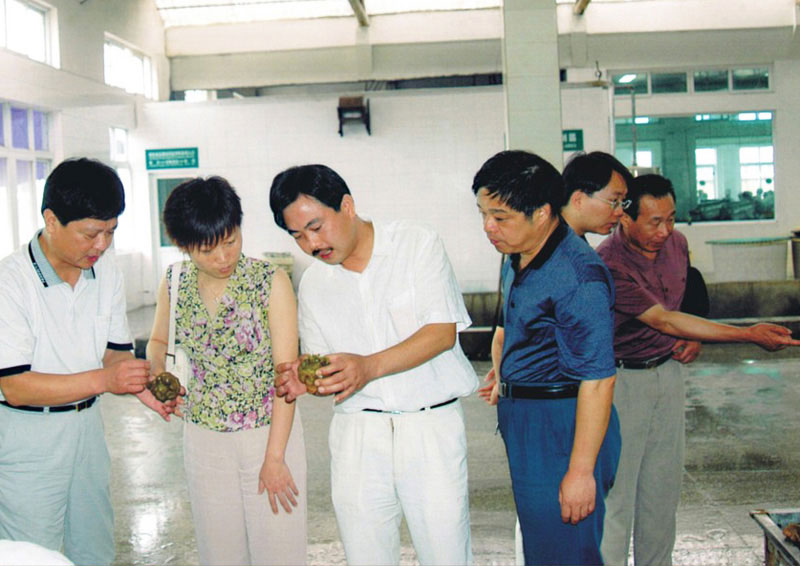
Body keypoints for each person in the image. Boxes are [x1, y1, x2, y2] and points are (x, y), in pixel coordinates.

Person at [268, 164, 477, 566]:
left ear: (347, 206)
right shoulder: (314, 284)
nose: (312, 244)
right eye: (298, 236)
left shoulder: (416, 244)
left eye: (316, 227)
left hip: (429, 426)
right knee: (366, 555)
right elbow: (330, 367)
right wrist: (310, 380)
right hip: (358, 434)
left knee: (446, 552)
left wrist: (367, 367)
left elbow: (441, 333)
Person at [595, 173, 800, 566]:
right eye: (655, 222)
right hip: (621, 382)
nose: (665, 231)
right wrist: (748, 334)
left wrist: (696, 335)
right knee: (616, 496)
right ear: (626, 217)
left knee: (661, 491)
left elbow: (687, 291)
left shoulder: (676, 244)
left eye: (671, 219)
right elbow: (664, 319)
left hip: (668, 374)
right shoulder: (608, 262)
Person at [0, 157, 176, 565]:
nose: (101, 245)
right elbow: (15, 386)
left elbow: (114, 352)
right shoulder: (11, 283)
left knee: (94, 549)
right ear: (51, 220)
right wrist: (106, 380)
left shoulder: (106, 271)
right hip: (28, 437)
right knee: (31, 553)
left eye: (111, 232)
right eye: (91, 233)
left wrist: (137, 382)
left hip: (87, 431)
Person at [145, 176, 307, 566]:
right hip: (203, 439)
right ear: (183, 245)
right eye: (207, 249)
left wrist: (274, 458)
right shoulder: (175, 281)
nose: (223, 258)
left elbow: (285, 376)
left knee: (279, 552)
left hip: (268, 434)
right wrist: (158, 374)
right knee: (219, 553)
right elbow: (158, 342)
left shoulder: (269, 282)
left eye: (231, 241)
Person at [472, 150, 620, 565]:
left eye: (500, 217)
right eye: (483, 214)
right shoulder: (517, 254)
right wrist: (505, 373)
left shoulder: (578, 276)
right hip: (528, 418)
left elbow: (599, 380)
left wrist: (580, 472)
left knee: (567, 551)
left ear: (541, 213)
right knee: (544, 549)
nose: (488, 227)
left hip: (565, 424)